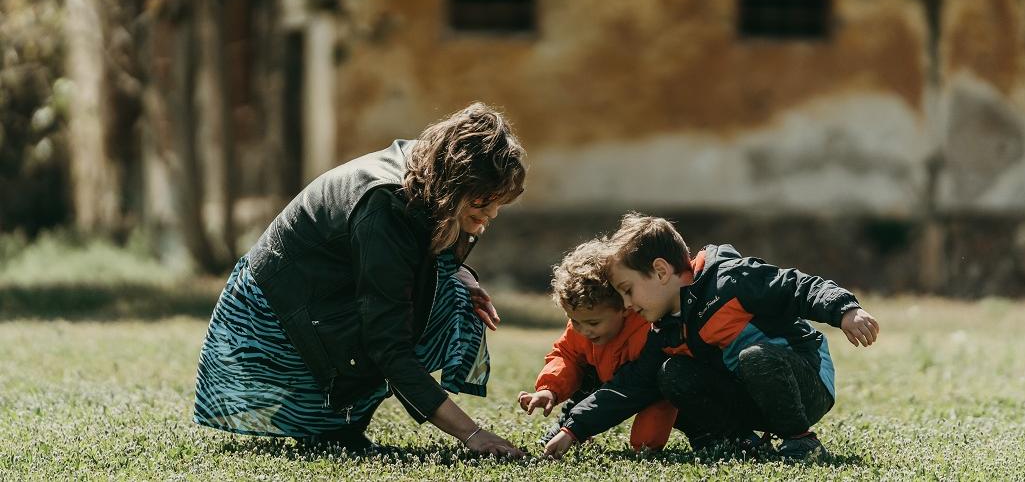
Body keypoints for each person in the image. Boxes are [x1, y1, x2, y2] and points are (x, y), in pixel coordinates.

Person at [193, 102, 526, 458]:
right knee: (394, 328)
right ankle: (329, 420)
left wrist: (463, 277)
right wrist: (473, 434)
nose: (492, 213)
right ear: (456, 179)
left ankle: (336, 422)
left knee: (453, 299)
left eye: (498, 202)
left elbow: (418, 263)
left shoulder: (430, 171)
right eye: (483, 200)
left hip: (326, 300)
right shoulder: (386, 205)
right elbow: (387, 341)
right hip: (270, 315)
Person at [544, 213, 880, 461]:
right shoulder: (664, 329)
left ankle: (801, 441)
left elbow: (798, 287)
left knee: (754, 357)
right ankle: (737, 443)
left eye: (628, 290)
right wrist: (572, 429)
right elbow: (629, 386)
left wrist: (845, 310)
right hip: (752, 395)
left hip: (807, 383)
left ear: (661, 272)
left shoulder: (731, 280)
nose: (628, 304)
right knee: (670, 373)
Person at [516, 239, 677, 452]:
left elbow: (650, 390)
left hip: (646, 387)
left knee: (647, 434)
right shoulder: (581, 331)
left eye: (593, 323)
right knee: (583, 369)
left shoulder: (646, 329)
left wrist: (647, 444)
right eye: (574, 321)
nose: (584, 330)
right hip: (605, 377)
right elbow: (565, 356)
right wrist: (549, 390)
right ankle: (568, 425)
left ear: (624, 307)